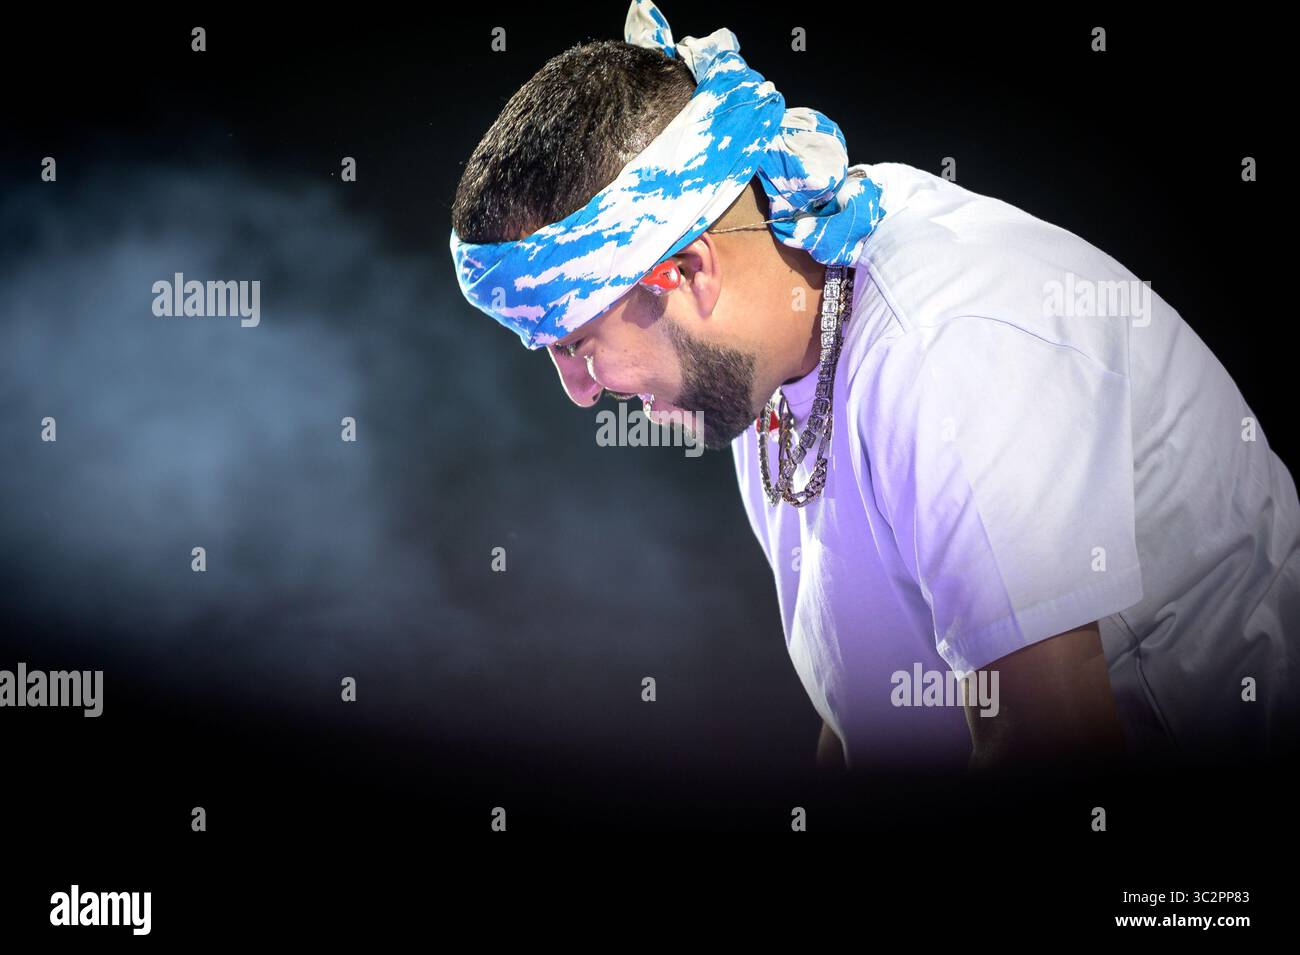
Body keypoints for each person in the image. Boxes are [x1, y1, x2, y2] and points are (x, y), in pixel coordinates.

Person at [449, 0, 1299, 772]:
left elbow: (1053, 746)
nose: (580, 393)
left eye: (577, 342)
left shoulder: (950, 351)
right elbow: (865, 706)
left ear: (688, 271)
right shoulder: (768, 335)